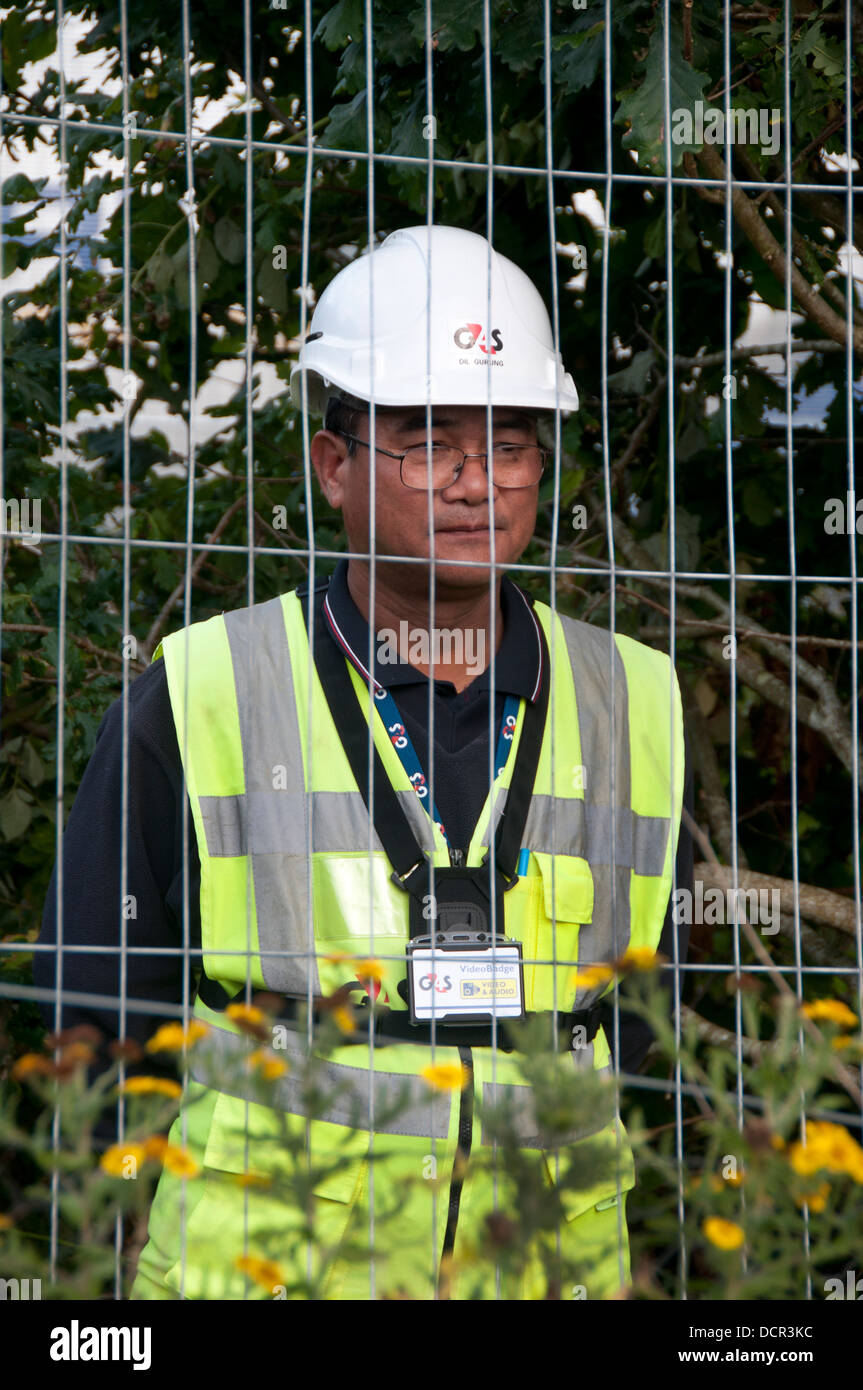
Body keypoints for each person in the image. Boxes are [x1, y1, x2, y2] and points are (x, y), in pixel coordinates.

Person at [36, 223, 693, 1300]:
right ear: (334, 464)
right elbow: (94, 1020)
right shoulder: (203, 690)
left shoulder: (634, 701)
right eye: (428, 442)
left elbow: (638, 1029)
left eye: (511, 444)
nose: (475, 483)